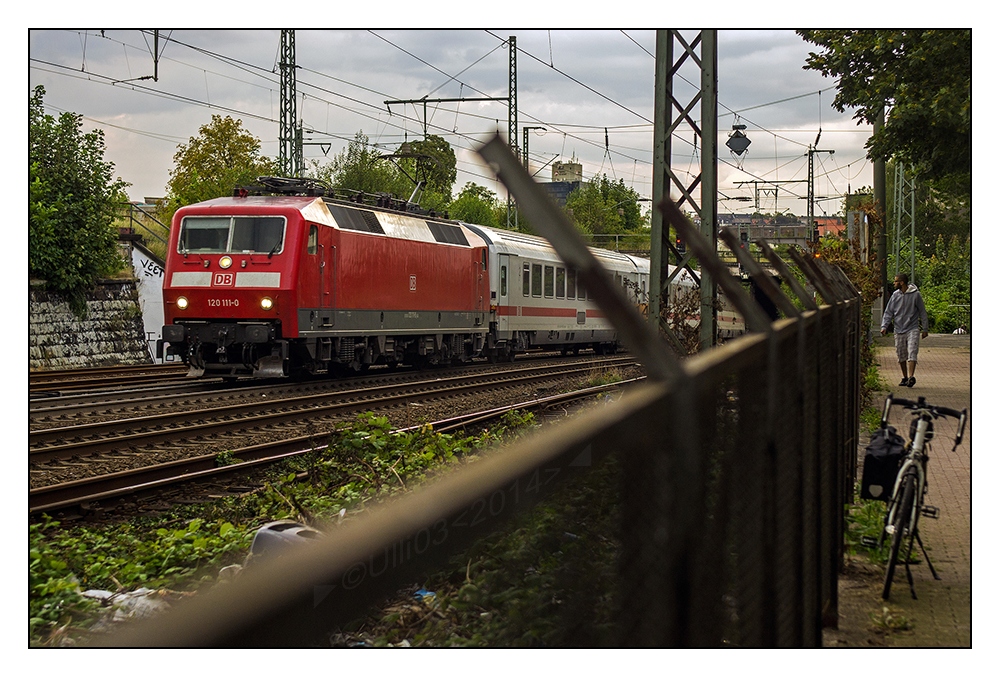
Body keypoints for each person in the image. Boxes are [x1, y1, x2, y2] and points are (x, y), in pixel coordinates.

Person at [880, 273, 929, 387]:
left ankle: (911, 377)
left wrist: (925, 329)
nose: (894, 283)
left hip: (912, 328)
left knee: (912, 351)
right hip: (899, 329)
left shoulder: (915, 295)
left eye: (896, 281)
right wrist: (884, 326)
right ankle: (905, 377)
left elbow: (922, 312)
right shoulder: (895, 295)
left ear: (902, 283)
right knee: (901, 354)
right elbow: (889, 312)